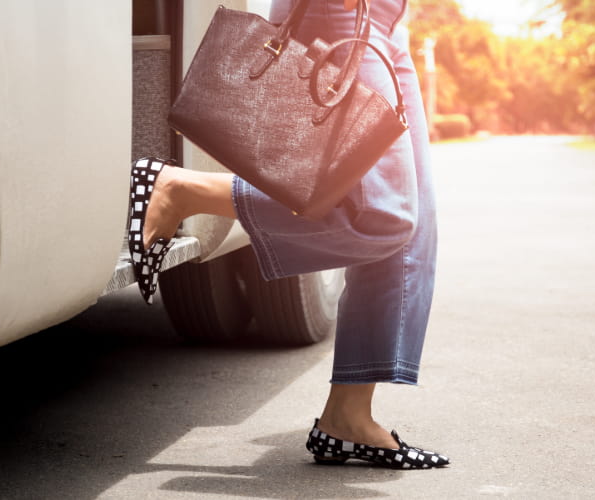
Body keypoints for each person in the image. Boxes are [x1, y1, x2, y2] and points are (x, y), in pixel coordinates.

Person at [127, 0, 448, 469]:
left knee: (414, 228)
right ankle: (181, 190)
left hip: (387, 21)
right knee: (384, 214)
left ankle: (347, 416)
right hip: (341, 11)